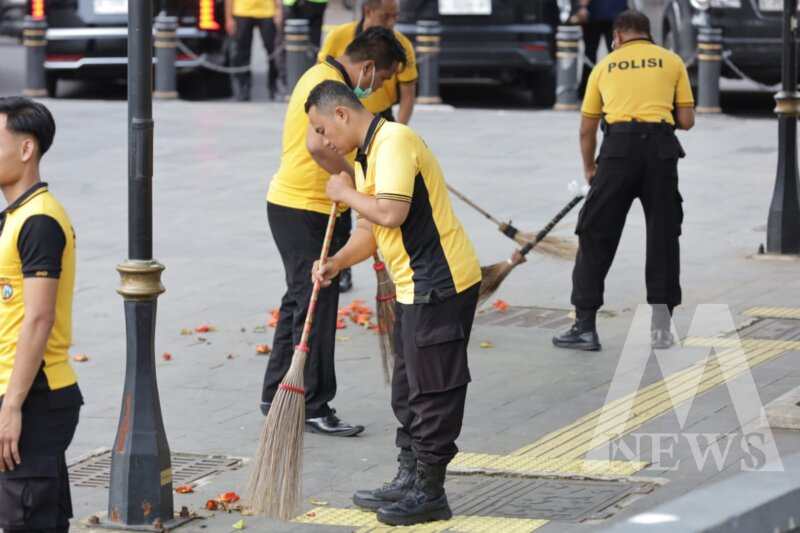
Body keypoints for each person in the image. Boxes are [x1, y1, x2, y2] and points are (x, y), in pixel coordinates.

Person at [307, 80, 482, 526]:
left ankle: (430, 491)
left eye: (323, 129)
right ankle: (408, 476)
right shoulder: (367, 155)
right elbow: (370, 232)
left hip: (439, 283)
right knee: (406, 386)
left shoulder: (395, 141)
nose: (323, 141)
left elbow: (391, 212)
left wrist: (344, 193)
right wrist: (335, 263)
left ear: (342, 114)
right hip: (410, 286)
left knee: (434, 389)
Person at [262, 27, 406, 437]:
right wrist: (360, 181)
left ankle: (276, 393)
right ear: (366, 67)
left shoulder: (323, 75)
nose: (375, 88)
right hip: (303, 206)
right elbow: (317, 146)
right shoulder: (328, 86)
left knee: (299, 299)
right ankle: (312, 404)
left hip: (300, 204)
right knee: (316, 304)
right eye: (378, 80)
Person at [552, 10, 695, 352]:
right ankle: (661, 330)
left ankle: (585, 327)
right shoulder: (671, 61)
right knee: (663, 236)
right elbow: (687, 120)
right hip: (661, 152)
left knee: (595, 234)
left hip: (617, 151)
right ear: (649, 35)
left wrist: (590, 168)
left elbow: (587, 129)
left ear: (616, 36)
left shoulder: (605, 66)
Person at [0, 97, 83, 532]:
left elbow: (38, 318)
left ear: (26, 149)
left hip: (34, 395)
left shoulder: (40, 221)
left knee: (25, 520)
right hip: (19, 390)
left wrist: (11, 407)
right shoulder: (16, 216)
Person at [318, 0, 418, 292]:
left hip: (381, 121)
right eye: (386, 16)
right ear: (368, 12)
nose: (391, 23)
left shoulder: (402, 46)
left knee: (379, 193)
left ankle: (389, 256)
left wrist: (399, 133)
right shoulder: (340, 37)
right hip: (343, 123)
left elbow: (408, 94)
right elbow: (324, 82)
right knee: (346, 191)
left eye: (395, 17)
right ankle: (342, 262)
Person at [225, 0, 284, 101]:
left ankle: (273, 86)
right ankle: (244, 88)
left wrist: (279, 10)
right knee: (242, 53)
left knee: (272, 51)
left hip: (267, 11)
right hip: (242, 11)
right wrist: (229, 18)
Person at [572, 0, 628, 96]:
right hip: (612, 12)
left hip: (597, 12)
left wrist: (581, 6)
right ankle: (619, 89)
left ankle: (587, 90)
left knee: (591, 53)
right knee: (616, 54)